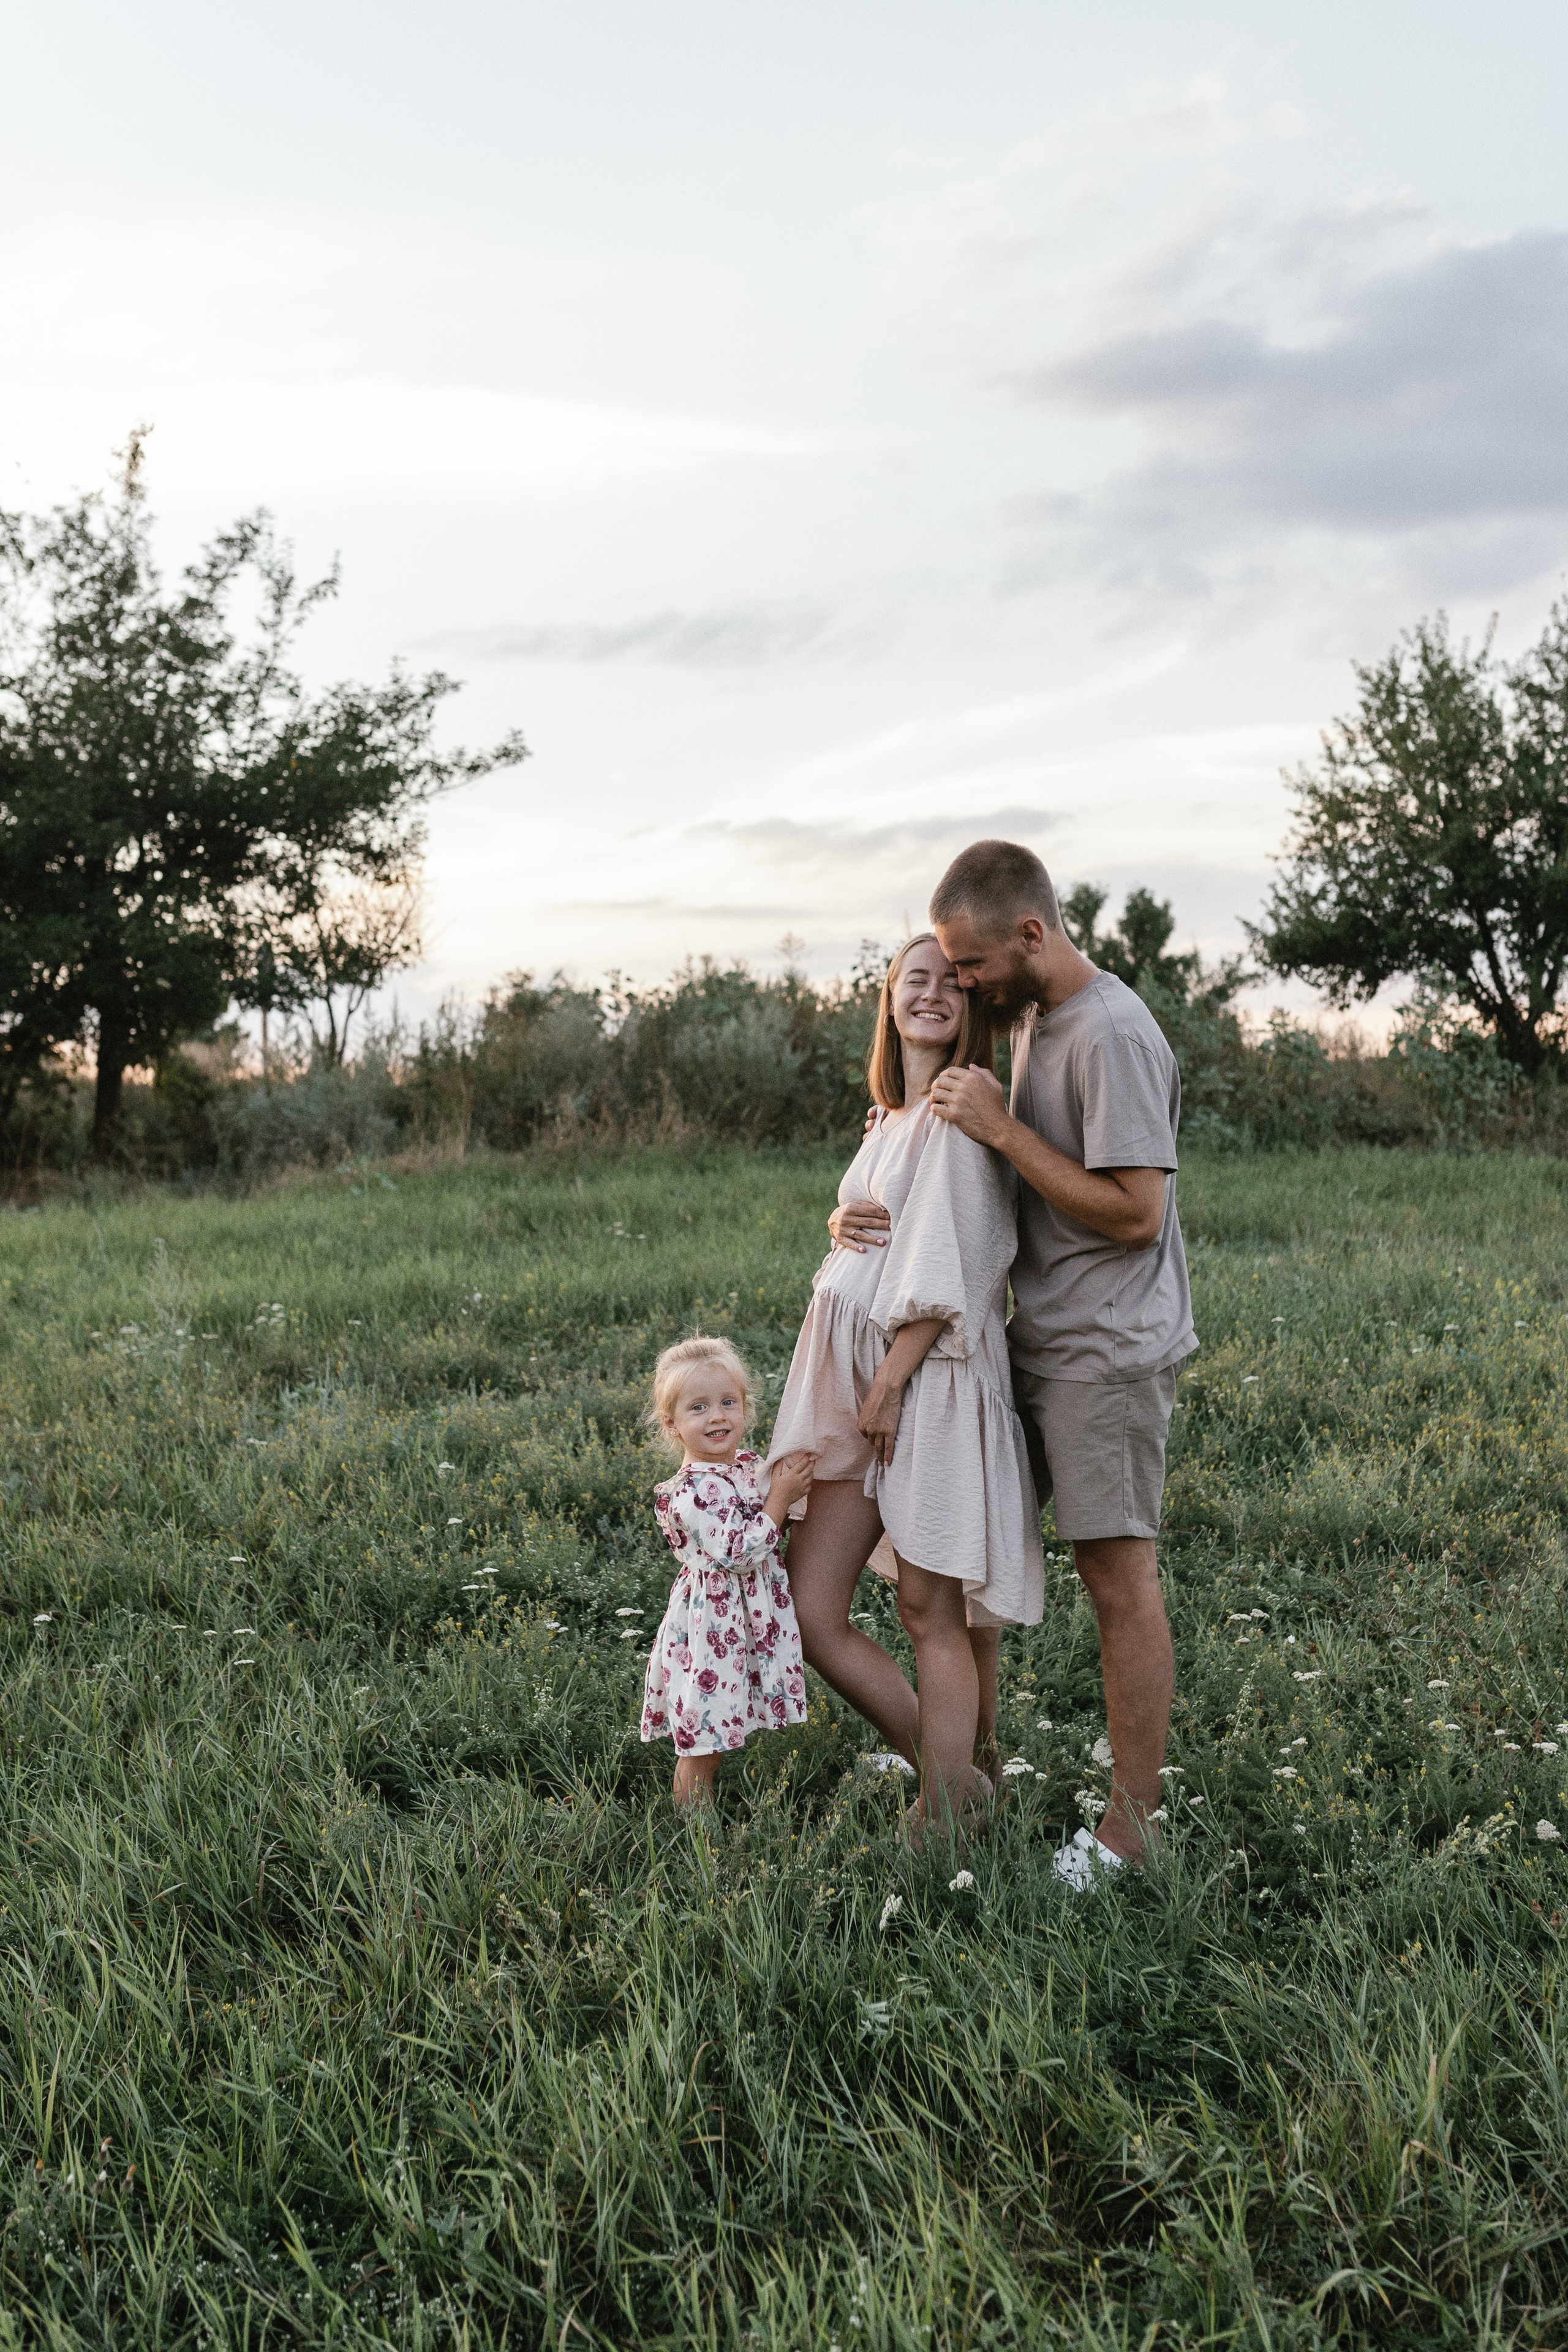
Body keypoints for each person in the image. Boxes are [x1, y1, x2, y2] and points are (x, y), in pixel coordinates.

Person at [921, 838, 1196, 1888]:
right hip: (1036, 1337)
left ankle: (1131, 1837)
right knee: (980, 1553)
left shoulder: (1113, 1033)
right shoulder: (1031, 1016)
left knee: (1115, 1579)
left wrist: (999, 1128)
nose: (962, 981)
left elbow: (1135, 1212)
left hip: (1108, 1349)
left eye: (973, 962)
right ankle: (969, 1771)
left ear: (1031, 934)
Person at [767, 933, 1044, 1840]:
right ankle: (956, 1771)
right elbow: (879, 1226)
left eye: (948, 984)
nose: (929, 995)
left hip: (922, 1381)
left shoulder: (965, 1113)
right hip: (846, 1378)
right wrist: (836, 1212)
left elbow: (954, 1265)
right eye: (910, 981)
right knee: (811, 1610)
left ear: (971, 1007)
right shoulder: (890, 1116)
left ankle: (943, 1810)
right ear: (888, 1002)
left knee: (931, 1607)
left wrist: (888, 1382)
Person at [640, 1336, 815, 1807]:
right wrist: (779, 1500)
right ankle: (694, 1837)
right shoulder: (691, 1493)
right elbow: (738, 1552)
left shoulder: (747, 1468)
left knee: (724, 1727)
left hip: (744, 1620)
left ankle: (702, 1818)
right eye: (698, 1408)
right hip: (714, 1626)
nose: (717, 1416)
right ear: (671, 1425)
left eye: (727, 1402)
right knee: (706, 1741)